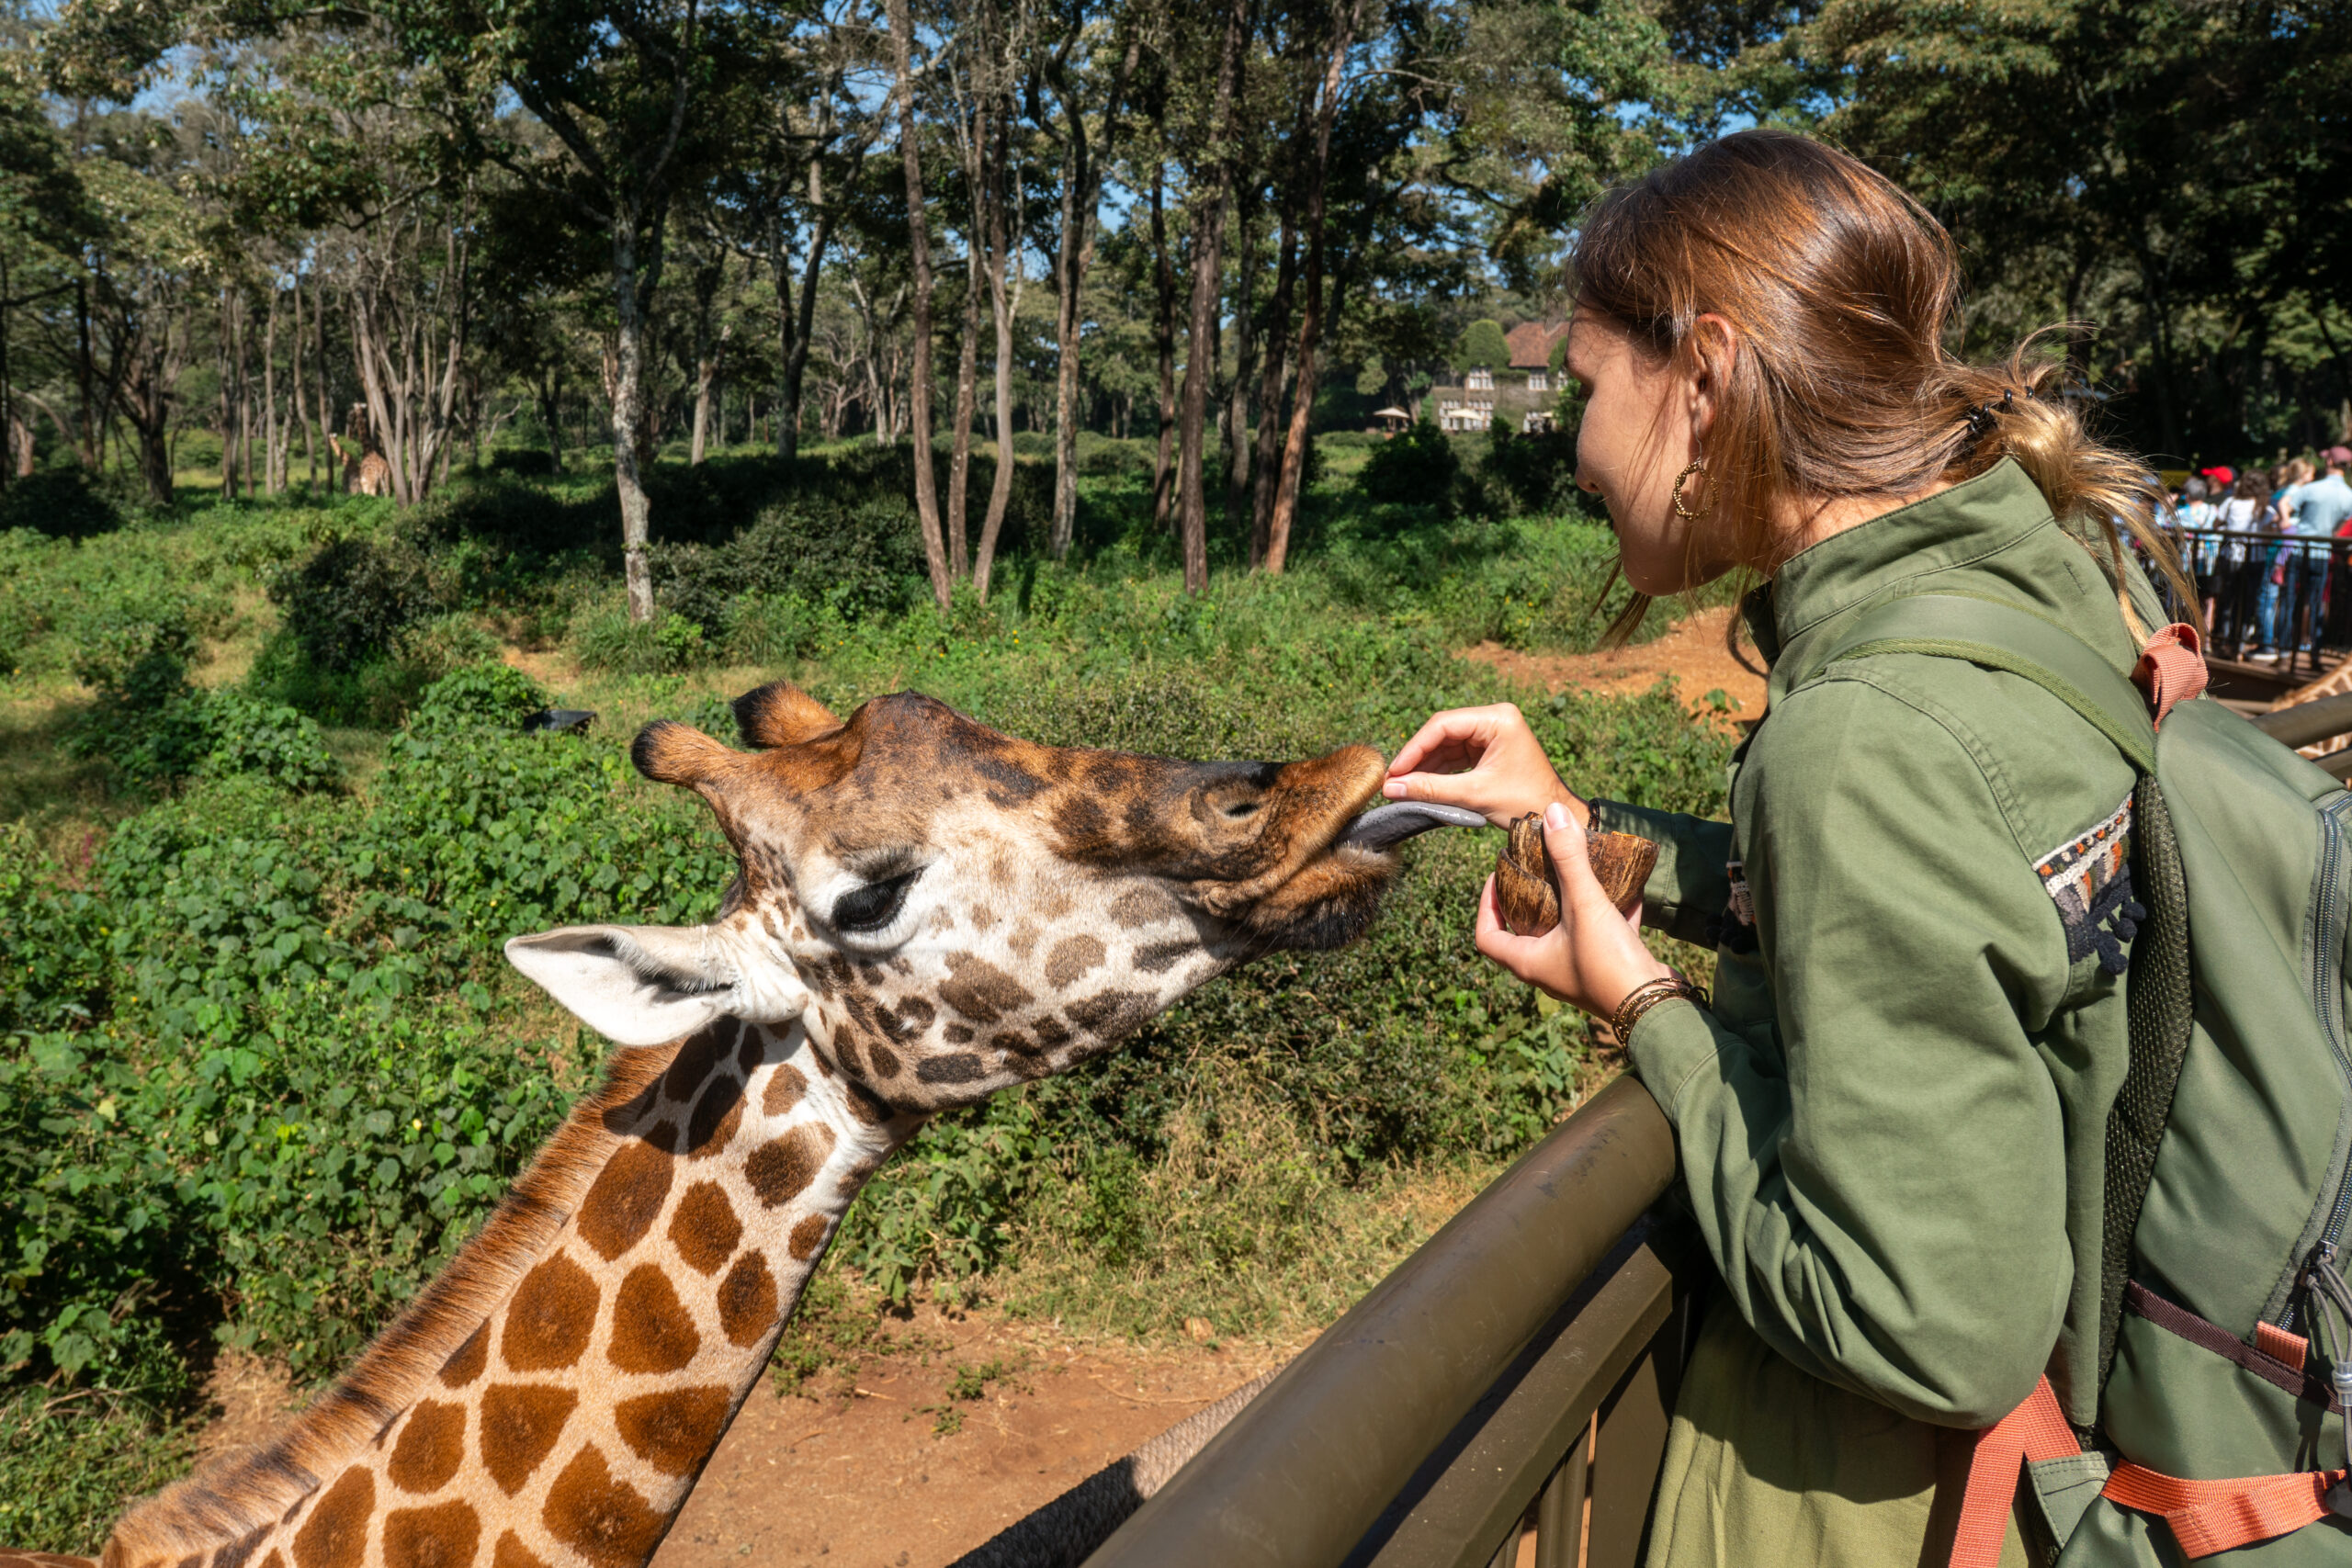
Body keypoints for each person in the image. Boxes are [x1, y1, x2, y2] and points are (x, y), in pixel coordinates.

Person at [1385, 130, 2199, 1566]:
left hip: (1875, 1511)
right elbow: (1947, 899)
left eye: (1588, 388)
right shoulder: (2036, 583)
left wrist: (1645, 1007)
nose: (1579, 449)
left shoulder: (1866, 733)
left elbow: (1927, 1329)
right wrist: (1587, 829)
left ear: (1702, 375)